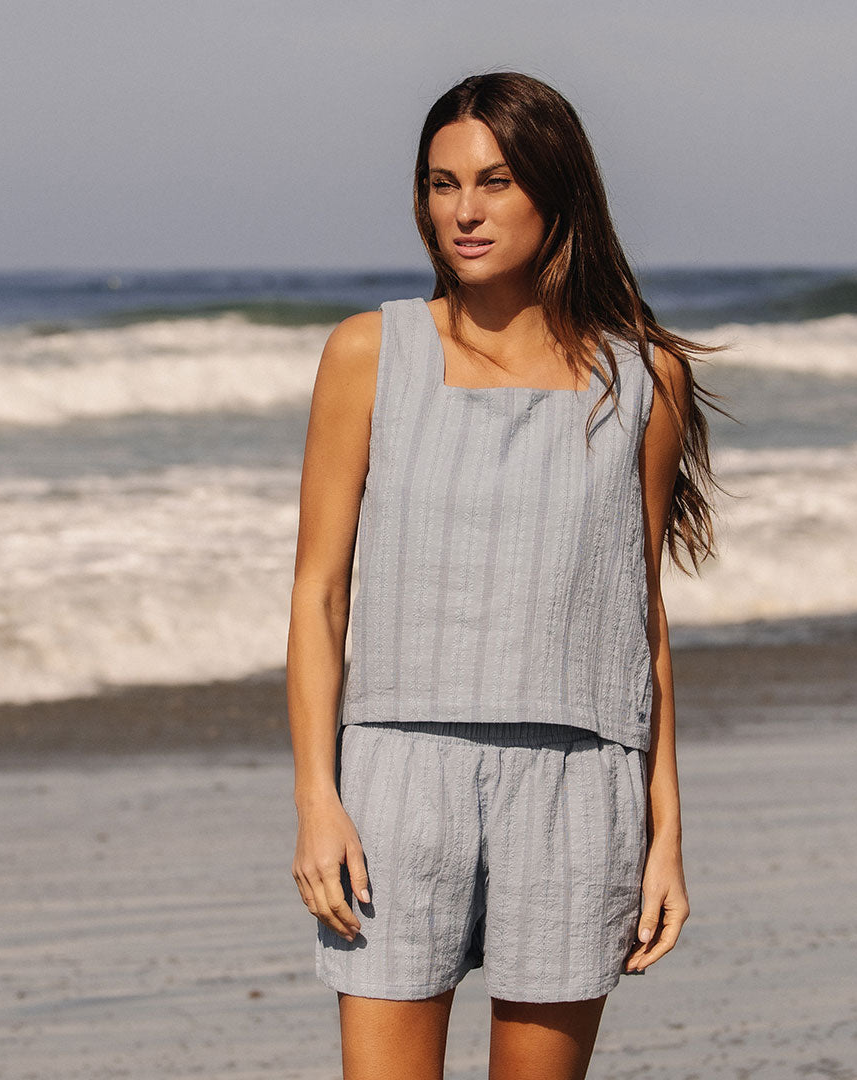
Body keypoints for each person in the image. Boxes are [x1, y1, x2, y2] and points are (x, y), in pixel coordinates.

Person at [286, 71, 723, 1080]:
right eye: (442, 185)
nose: (465, 212)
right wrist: (317, 797)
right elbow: (319, 593)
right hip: (398, 774)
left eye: (494, 182)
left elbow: (640, 619)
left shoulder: (642, 378)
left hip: (579, 780)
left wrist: (666, 832)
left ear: (555, 191)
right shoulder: (369, 352)